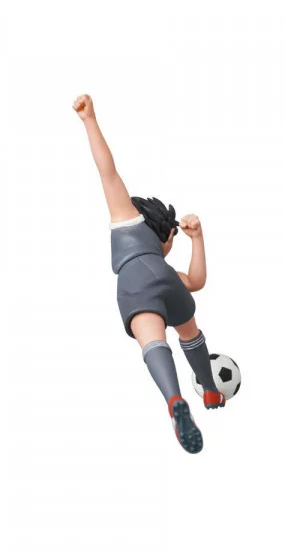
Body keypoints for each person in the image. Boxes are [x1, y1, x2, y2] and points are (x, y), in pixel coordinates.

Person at [73, 94, 225, 454]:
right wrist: (198, 239)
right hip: (165, 281)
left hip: (133, 283)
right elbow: (196, 282)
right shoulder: (164, 264)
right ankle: (209, 389)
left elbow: (108, 172)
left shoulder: (127, 219)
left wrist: (89, 120)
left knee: (153, 342)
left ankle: (174, 400)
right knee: (189, 330)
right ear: (167, 237)